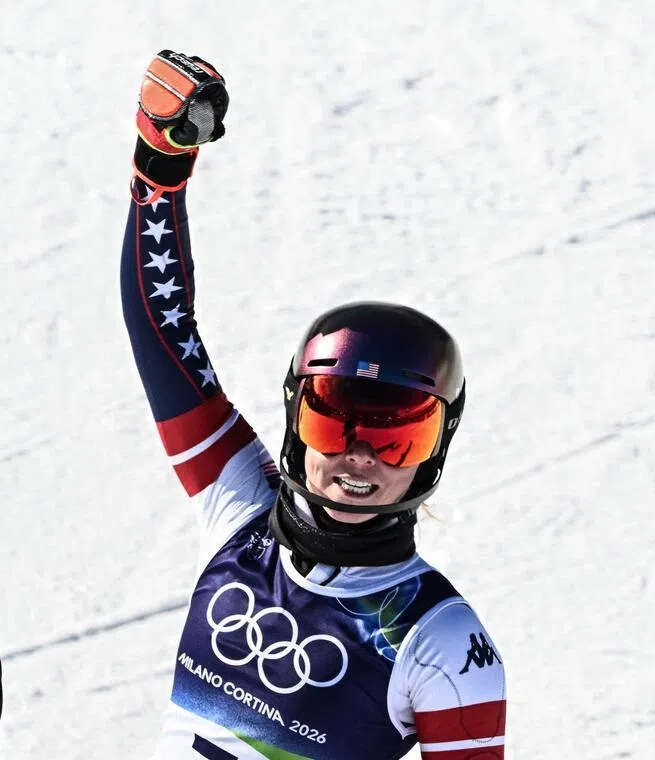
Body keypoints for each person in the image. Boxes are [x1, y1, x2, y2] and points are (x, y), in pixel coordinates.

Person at [121, 51, 506, 760]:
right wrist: (159, 173)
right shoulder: (240, 512)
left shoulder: (442, 641)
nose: (358, 458)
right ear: (297, 421)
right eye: (334, 421)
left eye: (398, 438)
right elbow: (162, 337)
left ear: (438, 447)